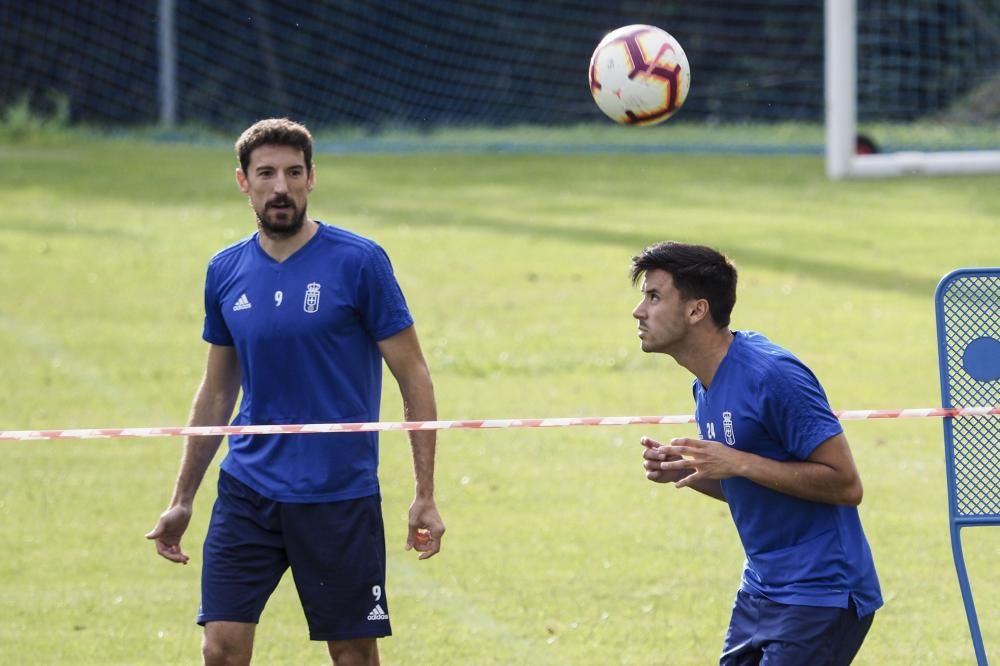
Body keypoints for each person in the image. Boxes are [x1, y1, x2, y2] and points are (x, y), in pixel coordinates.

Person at [145, 117, 444, 666]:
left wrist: (424, 491)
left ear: (311, 179)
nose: (280, 187)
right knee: (221, 648)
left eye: (292, 173)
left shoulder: (359, 262)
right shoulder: (225, 271)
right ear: (244, 182)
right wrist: (183, 498)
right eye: (266, 174)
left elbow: (414, 375)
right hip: (247, 491)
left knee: (352, 654)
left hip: (337, 494)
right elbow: (216, 392)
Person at [631, 241, 881, 665]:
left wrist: (736, 461)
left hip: (821, 594)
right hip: (762, 590)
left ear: (696, 310)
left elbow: (846, 483)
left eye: (654, 296)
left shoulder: (773, 375)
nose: (639, 311)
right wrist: (690, 473)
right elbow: (755, 487)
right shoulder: (705, 383)